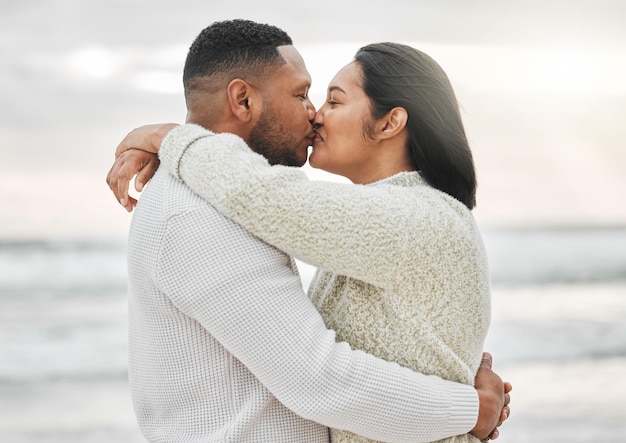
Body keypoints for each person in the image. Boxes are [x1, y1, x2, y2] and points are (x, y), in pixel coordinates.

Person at [107, 20, 510, 442]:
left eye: (332, 101)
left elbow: (268, 197)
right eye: (302, 95)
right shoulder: (197, 212)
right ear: (242, 99)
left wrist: (172, 138)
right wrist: (472, 410)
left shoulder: (417, 218)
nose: (314, 113)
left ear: (390, 123)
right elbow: (322, 379)